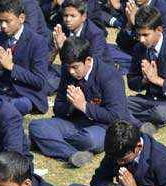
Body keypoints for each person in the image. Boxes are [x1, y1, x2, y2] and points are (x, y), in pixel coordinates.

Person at [27, 37, 133, 169]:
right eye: (68, 67)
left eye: (75, 67)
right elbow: (58, 108)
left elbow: (116, 116)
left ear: (88, 61)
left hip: (102, 127)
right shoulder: (68, 72)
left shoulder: (109, 75)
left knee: (89, 140)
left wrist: (84, 106)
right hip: (75, 123)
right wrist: (71, 104)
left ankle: (47, 142)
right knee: (36, 126)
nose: (71, 71)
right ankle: (73, 154)